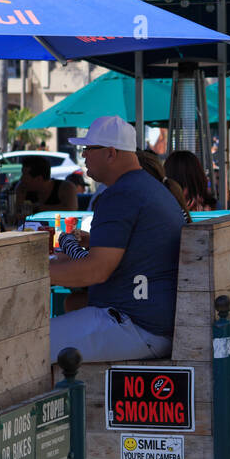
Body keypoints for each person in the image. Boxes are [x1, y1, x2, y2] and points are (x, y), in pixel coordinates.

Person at [47, 117, 183, 364]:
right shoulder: (144, 187)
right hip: (151, 323)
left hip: (137, 326)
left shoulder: (122, 194)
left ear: (110, 153)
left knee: (22, 346)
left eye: (88, 149)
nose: (84, 155)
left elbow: (96, 271)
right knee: (68, 308)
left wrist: (31, 273)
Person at [12, 156, 78, 223]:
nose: (21, 179)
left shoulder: (66, 188)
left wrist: (37, 208)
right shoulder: (22, 188)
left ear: (39, 179)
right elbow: (15, 214)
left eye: (24, 175)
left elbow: (71, 211)